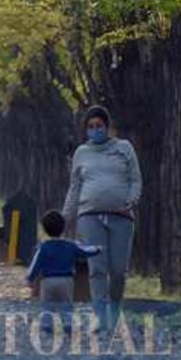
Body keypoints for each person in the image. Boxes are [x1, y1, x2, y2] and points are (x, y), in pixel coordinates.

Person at [62, 105, 141, 329]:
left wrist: (132, 198)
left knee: (118, 271)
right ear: (86, 130)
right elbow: (75, 187)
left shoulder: (124, 148)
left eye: (99, 126)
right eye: (91, 127)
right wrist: (65, 216)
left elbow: (135, 179)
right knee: (96, 269)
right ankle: (100, 316)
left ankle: (115, 312)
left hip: (121, 217)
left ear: (108, 127)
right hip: (89, 216)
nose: (95, 130)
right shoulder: (82, 153)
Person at [25, 209, 101, 321]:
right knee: (66, 306)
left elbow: (36, 264)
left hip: (47, 281)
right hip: (66, 280)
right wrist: (97, 249)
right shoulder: (70, 245)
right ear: (63, 227)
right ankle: (67, 324)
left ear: (45, 229)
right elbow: (84, 251)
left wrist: (30, 278)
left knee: (47, 306)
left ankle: (47, 325)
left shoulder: (43, 247)